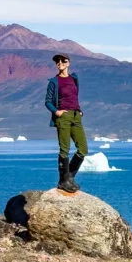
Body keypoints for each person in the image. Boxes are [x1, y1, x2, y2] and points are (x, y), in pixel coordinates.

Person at [45, 53, 88, 192]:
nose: (60, 63)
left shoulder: (74, 78)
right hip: (63, 116)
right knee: (65, 149)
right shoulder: (54, 82)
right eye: (57, 61)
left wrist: (79, 110)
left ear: (68, 63)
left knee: (83, 149)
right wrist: (56, 112)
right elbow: (48, 101)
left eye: (63, 61)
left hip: (76, 116)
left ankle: (69, 177)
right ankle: (63, 181)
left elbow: (75, 96)